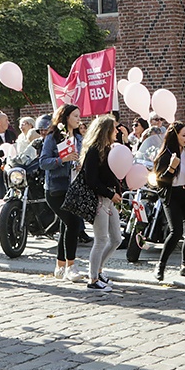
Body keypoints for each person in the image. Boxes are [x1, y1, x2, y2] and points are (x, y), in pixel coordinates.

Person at [39, 104, 85, 282]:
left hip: (74, 187)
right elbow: (43, 162)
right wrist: (62, 159)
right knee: (73, 224)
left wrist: (79, 164)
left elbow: (81, 158)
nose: (78, 119)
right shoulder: (53, 137)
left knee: (66, 226)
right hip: (56, 189)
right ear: (65, 118)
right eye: (75, 116)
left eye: (79, 115)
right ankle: (71, 267)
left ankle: (59, 266)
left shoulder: (79, 138)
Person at [152, 122, 185, 281]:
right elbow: (160, 181)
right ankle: (160, 265)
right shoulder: (165, 154)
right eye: (183, 135)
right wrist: (172, 167)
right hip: (172, 195)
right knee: (176, 232)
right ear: (175, 136)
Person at [80, 114, 123, 291]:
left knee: (116, 239)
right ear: (106, 130)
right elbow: (91, 180)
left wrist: (117, 193)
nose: (117, 130)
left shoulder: (109, 150)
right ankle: (92, 279)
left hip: (109, 200)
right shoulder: (94, 151)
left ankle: (98, 270)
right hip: (99, 200)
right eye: (114, 128)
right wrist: (109, 193)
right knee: (101, 239)